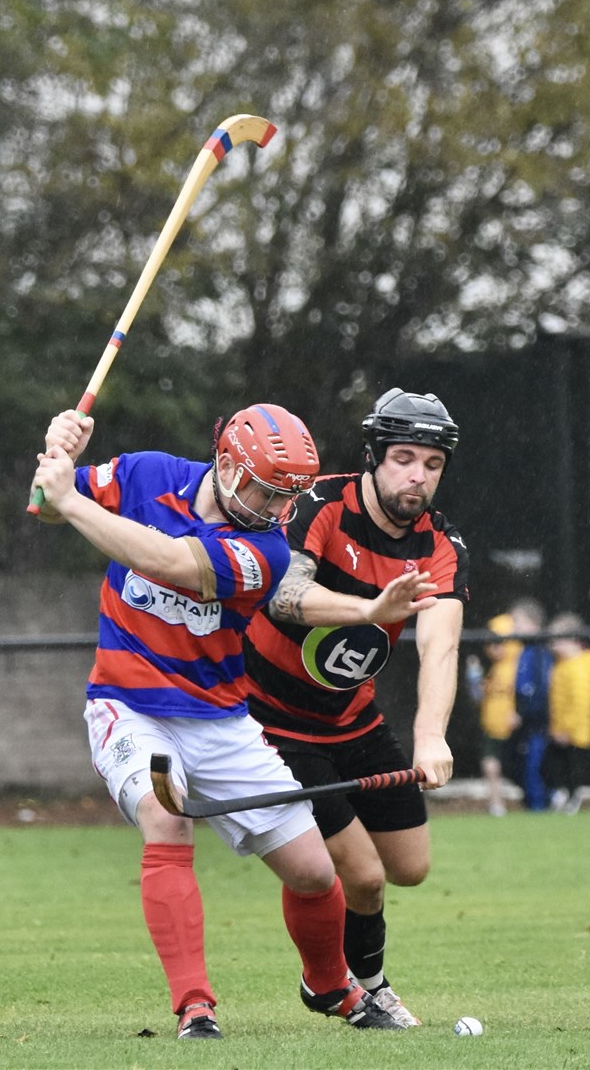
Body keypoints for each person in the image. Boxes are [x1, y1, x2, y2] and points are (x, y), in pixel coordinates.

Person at [30, 404, 403, 1039]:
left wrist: (70, 500)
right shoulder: (146, 473)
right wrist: (55, 453)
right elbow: (43, 501)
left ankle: (329, 985)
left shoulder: (267, 551)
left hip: (222, 721)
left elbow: (171, 562)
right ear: (227, 465)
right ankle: (195, 1006)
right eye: (267, 489)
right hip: (129, 706)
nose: (278, 508)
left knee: (315, 873)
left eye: (289, 496)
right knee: (165, 817)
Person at [241, 387, 469, 1029]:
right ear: (373, 456)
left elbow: (441, 646)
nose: (416, 476)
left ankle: (311, 885)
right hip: (273, 722)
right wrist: (370, 611)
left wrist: (430, 736)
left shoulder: (439, 545)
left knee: (411, 868)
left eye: (431, 464)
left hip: (354, 722)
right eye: (403, 458)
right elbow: (285, 597)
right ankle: (360, 989)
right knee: (362, 877)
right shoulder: (317, 505)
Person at [544, 612, 590, 815]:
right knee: (556, 766)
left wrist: (567, 729)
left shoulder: (580, 667)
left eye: (558, 640)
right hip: (560, 728)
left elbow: (580, 702)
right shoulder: (561, 665)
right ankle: (563, 795)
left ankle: (573, 797)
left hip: (573, 731)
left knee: (572, 767)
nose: (553, 645)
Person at [467, 612, 520, 817]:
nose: (494, 646)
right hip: (493, 724)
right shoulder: (495, 669)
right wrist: (474, 677)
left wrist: (518, 714)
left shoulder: (518, 665)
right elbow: (478, 696)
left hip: (513, 724)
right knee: (490, 762)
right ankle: (496, 802)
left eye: (499, 641)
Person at [507, 598, 553, 812]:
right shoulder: (525, 651)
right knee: (517, 764)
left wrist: (522, 713)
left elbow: (539, 690)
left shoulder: (539, 652)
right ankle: (537, 804)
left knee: (533, 767)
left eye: (518, 622)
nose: (514, 628)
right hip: (528, 721)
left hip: (537, 722)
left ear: (534, 624)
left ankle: (542, 805)